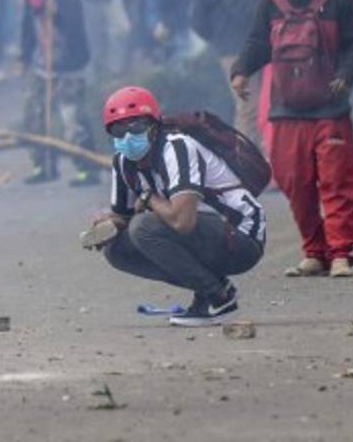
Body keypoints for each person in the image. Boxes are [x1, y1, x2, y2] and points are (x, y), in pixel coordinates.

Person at [230, 0, 353, 278]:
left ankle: (340, 253)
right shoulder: (270, 2)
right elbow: (256, 42)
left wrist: (346, 74)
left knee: (336, 183)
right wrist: (241, 71)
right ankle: (314, 251)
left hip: (330, 110)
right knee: (294, 182)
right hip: (286, 111)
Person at [87, 87, 265, 327]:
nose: (128, 137)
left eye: (136, 127)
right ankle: (210, 290)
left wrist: (148, 197)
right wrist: (106, 225)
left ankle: (218, 297)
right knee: (117, 249)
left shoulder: (178, 148)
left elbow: (183, 222)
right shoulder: (122, 161)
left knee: (144, 227)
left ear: (154, 125)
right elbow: (124, 217)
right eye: (119, 130)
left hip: (242, 237)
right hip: (201, 233)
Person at [20, 0, 99, 186]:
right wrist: (24, 57)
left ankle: (86, 167)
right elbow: (27, 28)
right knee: (35, 115)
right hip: (41, 64)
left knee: (72, 118)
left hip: (68, 66)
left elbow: (75, 30)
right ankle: (43, 165)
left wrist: (58, 15)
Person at [193, 0, 273, 143]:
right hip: (233, 46)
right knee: (248, 106)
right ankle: (245, 161)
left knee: (257, 105)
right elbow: (236, 2)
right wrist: (268, 10)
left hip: (247, 44)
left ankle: (258, 159)